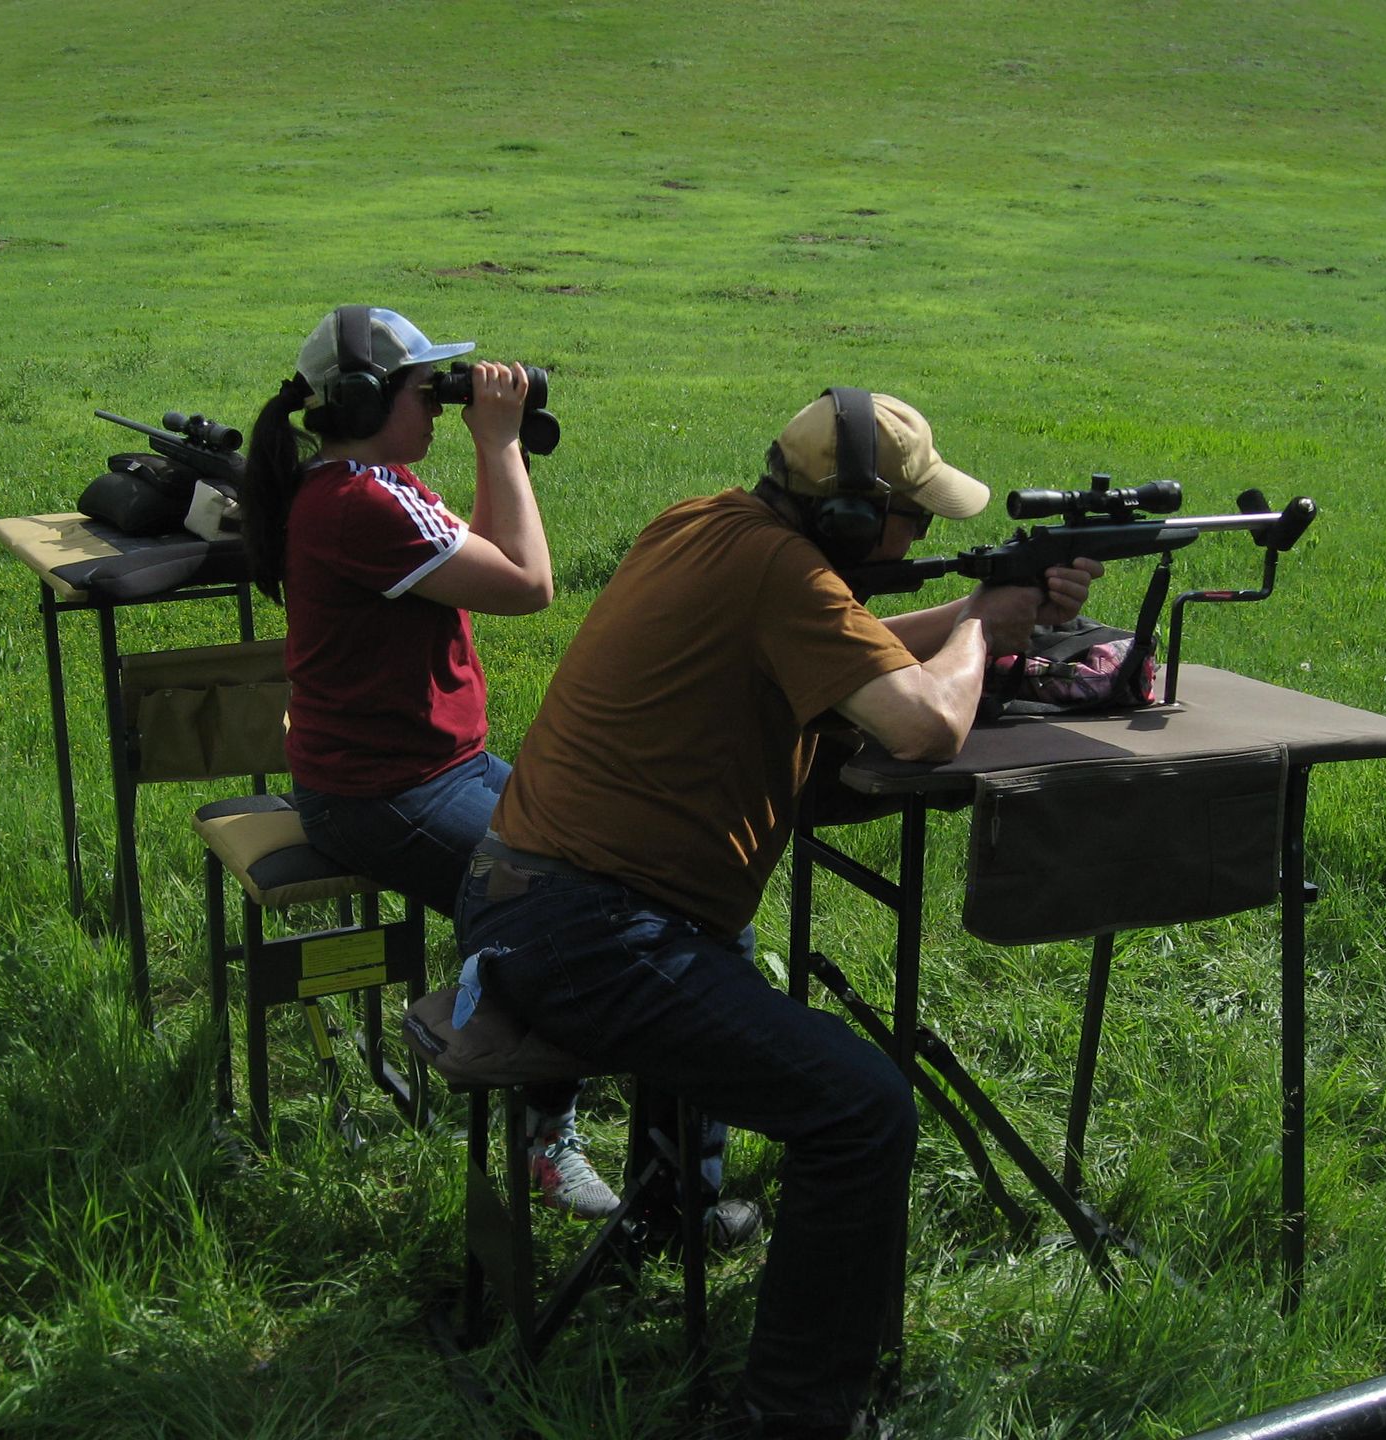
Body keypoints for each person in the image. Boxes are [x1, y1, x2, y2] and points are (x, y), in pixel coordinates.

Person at [454, 389, 1102, 1438]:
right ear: (851, 517)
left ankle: (674, 1217)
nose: (919, 537)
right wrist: (984, 626)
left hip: (536, 899)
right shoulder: (782, 572)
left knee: (796, 1048)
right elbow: (923, 726)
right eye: (910, 518)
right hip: (584, 929)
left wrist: (979, 614)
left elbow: (841, 646)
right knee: (862, 1108)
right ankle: (792, 1416)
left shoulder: (708, 524)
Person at [237, 304, 617, 1218]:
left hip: (437, 769)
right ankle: (543, 1137)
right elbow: (528, 585)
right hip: (380, 795)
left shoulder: (371, 485)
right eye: (425, 390)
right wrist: (502, 441)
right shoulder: (359, 505)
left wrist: (495, 446)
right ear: (364, 400)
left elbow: (485, 557)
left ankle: (583, 1050)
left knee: (608, 856)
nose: (442, 405)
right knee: (557, 903)